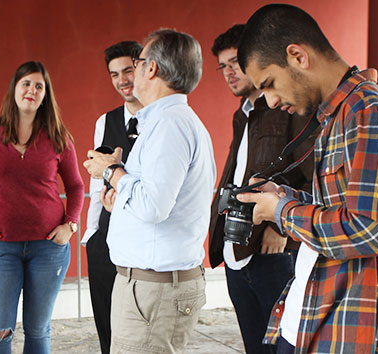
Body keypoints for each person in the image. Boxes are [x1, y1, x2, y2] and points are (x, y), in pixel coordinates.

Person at [236, 4, 378, 353]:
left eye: (270, 84)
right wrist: (283, 197)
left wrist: (282, 213)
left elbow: (374, 227)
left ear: (297, 56)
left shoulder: (367, 112)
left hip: (348, 331)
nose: (271, 101)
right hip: (314, 318)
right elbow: (340, 209)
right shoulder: (339, 115)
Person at [83, 29, 216, 353]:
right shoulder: (167, 121)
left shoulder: (169, 124)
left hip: (154, 291)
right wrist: (120, 202)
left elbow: (154, 205)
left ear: (152, 68)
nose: (132, 73)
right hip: (149, 287)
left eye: (137, 63)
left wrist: (111, 172)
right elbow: (153, 200)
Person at [207, 24, 316, 354]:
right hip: (236, 247)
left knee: (281, 347)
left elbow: (312, 176)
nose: (228, 73)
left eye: (235, 64)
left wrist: (281, 229)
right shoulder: (242, 115)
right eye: (222, 66)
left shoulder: (289, 108)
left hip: (274, 251)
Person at [0, 61, 84, 354]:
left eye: (39, 86)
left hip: (49, 249)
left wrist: (70, 224)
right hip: (0, 248)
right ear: (14, 90)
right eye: (26, 84)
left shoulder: (58, 138)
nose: (32, 90)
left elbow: (77, 186)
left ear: (45, 95)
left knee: (38, 331)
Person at [82, 40, 143, 354]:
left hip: (144, 244)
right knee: (107, 330)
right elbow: (96, 183)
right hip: (105, 238)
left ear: (144, 68)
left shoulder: (162, 121)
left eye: (128, 70)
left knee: (139, 333)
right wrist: (92, 235)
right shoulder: (104, 122)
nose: (123, 80)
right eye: (115, 74)